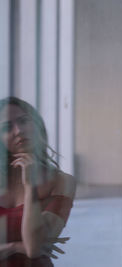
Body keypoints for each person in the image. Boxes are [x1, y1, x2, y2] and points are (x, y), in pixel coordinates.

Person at [0, 97, 76, 266]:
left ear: (37, 124)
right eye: (7, 127)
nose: (18, 130)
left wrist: (30, 187)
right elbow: (37, 245)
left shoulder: (62, 181)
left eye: (24, 121)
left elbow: (34, 247)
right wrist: (16, 246)